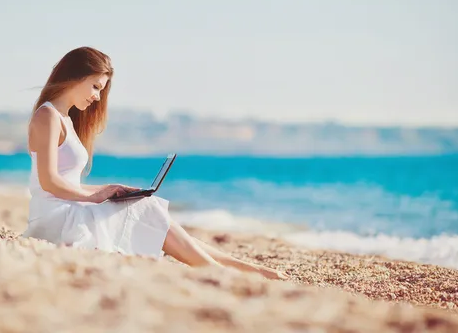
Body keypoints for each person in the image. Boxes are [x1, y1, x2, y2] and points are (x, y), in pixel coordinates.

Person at [21, 46, 288, 280]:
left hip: (67, 210)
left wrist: (109, 189)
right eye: (95, 87)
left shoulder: (64, 118)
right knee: (149, 212)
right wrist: (97, 196)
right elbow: (49, 182)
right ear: (75, 75)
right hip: (56, 220)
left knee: (154, 215)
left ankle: (245, 269)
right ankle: (220, 271)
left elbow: (64, 182)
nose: (98, 97)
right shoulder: (48, 116)